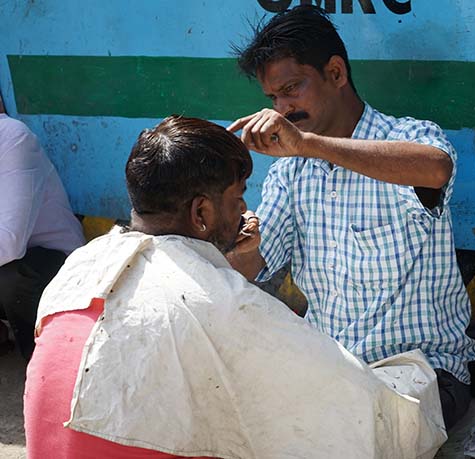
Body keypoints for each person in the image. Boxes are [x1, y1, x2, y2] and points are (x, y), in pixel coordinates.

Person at [24, 115, 446, 458]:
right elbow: (362, 420)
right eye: (238, 197)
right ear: (202, 212)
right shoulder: (223, 304)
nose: (245, 208)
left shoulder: (81, 265)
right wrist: (413, 390)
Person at [228, 5, 475, 430]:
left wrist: (310, 144)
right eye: (274, 98)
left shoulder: (408, 138)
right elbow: (256, 266)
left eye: (292, 89)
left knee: (347, 430)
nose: (283, 108)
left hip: (421, 372)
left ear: (336, 73)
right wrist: (238, 245)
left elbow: (435, 167)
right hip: (331, 368)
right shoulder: (290, 170)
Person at [0, 89, 85, 360]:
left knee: (12, 277)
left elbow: (9, 242)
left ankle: (42, 364)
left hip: (53, 266)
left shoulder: (12, 138)